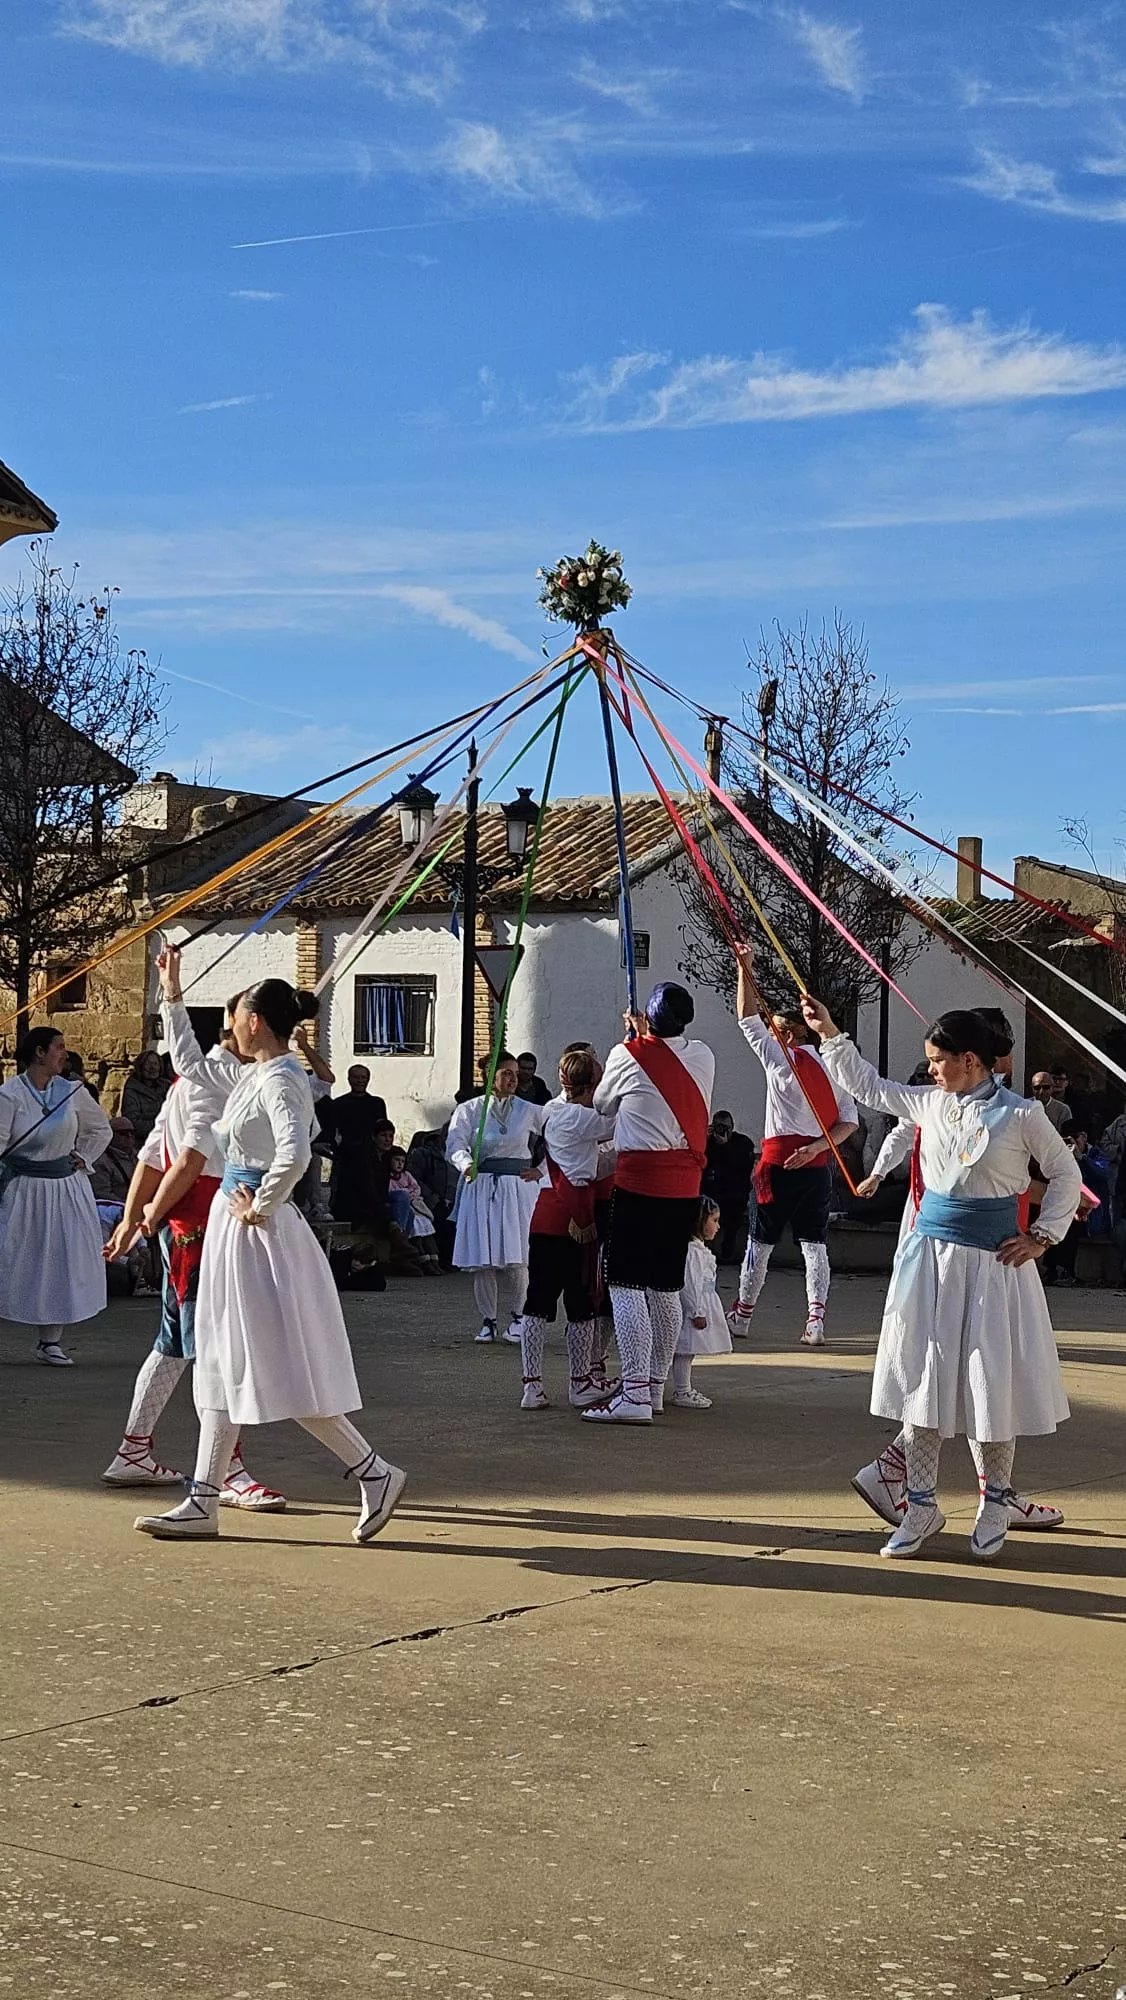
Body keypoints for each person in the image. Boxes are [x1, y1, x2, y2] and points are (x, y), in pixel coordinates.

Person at [134, 954, 406, 1544]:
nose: (229, 1024)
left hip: (259, 1235)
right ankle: (205, 1499)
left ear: (254, 1021)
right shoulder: (252, 1074)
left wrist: (259, 1205)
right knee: (221, 1360)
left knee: (273, 1364)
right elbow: (189, 1064)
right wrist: (171, 995)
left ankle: (373, 1471)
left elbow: (296, 1153)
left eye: (235, 1015)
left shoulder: (281, 1079)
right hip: (238, 1231)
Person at [801, 998, 1081, 1562]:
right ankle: (922, 1504)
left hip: (994, 1269)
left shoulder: (1022, 1114)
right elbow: (869, 1086)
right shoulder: (929, 1103)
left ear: (970, 1059)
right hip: (931, 1261)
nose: (930, 1069)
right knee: (923, 1382)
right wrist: (829, 1032)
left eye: (937, 1059)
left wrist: (1042, 1237)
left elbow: (1065, 1174)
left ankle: (996, 1500)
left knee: (989, 1382)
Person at [101, 983, 284, 1509]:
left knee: (176, 1339)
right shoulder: (218, 1083)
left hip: (187, 1217)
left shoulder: (192, 1078)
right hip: (203, 1219)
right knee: (216, 1344)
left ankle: (134, 1449)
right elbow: (185, 1159)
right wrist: (147, 1217)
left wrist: (135, 1217)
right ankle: (228, 1470)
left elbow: (151, 1152)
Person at [582, 981, 715, 1425]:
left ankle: (635, 1391)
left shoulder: (628, 1055)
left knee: (625, 1284)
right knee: (664, 1287)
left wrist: (632, 1043)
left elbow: (603, 1105)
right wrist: (643, 1041)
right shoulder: (704, 1056)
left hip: (640, 1182)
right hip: (684, 1185)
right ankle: (654, 1386)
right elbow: (666, 1064)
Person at [727, 944, 858, 1347]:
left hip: (777, 1164)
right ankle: (816, 1319)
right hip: (817, 1167)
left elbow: (746, 1018)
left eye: (774, 1032)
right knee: (814, 1244)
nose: (769, 1036)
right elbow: (849, 1123)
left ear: (785, 1035)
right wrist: (817, 1147)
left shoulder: (779, 1058)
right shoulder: (834, 1067)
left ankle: (743, 1315)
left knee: (760, 1242)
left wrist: (744, 968)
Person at [0, 1026, 112, 1364]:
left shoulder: (72, 1091)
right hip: (22, 1189)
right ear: (39, 1053)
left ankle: (50, 1341)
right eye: (58, 1047)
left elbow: (100, 1128)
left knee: (59, 1260)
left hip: (64, 1189)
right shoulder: (9, 1095)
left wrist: (84, 1156)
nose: (64, 1054)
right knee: (12, 1259)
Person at [514, 1045, 615, 1410]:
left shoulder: (552, 1109)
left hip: (546, 1210)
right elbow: (622, 1121)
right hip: (575, 1215)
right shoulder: (583, 1119)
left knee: (537, 1303)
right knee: (581, 1302)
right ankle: (580, 1382)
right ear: (591, 1084)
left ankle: (532, 1385)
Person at [446, 1052, 544, 1342]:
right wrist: (465, 1163)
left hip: (517, 1187)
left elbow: (558, 1136)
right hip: (482, 1185)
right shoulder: (470, 1109)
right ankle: (487, 1320)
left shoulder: (529, 1110)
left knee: (518, 1255)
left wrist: (541, 1170)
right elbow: (455, 1142)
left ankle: (519, 1317)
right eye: (506, 1073)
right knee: (483, 1256)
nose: (514, 1079)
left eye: (516, 1073)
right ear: (489, 1076)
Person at [670, 1196, 732, 1409]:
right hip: (693, 1308)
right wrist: (697, 1311)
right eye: (714, 1220)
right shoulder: (693, 1253)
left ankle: (681, 1388)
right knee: (685, 1349)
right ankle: (682, 1390)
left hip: (701, 1303)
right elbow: (691, 1284)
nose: (718, 1226)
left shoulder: (698, 1250)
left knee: (687, 1350)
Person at [317, 1065, 389, 1227]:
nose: (360, 1081)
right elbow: (329, 1132)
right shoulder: (338, 1104)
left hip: (371, 1157)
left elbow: (383, 1128)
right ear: (349, 1079)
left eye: (363, 1078)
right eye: (356, 1077)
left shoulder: (376, 1104)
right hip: (345, 1156)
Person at [701, 1110, 755, 1265]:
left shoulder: (743, 1142)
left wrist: (725, 1146)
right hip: (711, 1190)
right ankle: (703, 1250)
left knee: (734, 1208)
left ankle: (728, 1248)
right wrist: (703, 1139)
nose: (722, 1130)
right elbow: (701, 1161)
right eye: (718, 1127)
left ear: (732, 1127)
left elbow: (743, 1165)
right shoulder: (708, 1143)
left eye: (726, 1127)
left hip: (734, 1192)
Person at [387, 1146, 441, 1272]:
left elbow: (416, 1188)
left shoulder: (406, 1175)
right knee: (416, 1231)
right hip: (406, 1210)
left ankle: (434, 1259)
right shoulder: (387, 1178)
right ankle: (423, 1260)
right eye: (396, 1160)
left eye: (402, 1161)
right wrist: (405, 1194)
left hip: (416, 1206)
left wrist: (409, 1195)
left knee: (427, 1230)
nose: (400, 1164)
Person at [121, 1048, 171, 1146]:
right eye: (148, 1064)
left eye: (155, 1064)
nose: (153, 1068)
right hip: (143, 1143)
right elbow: (133, 1122)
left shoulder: (167, 1087)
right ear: (140, 1066)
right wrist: (161, 1126)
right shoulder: (132, 1089)